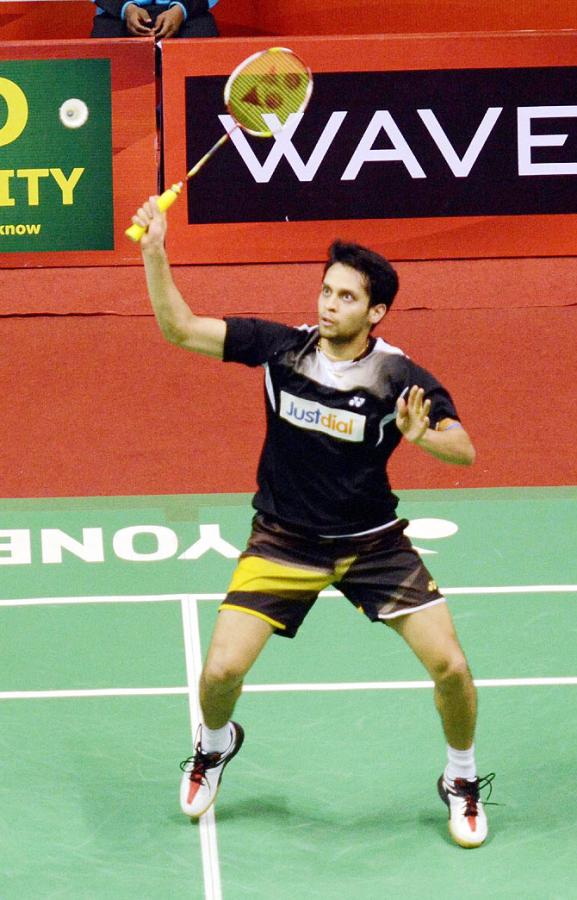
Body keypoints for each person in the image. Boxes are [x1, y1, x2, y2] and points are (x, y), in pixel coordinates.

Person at [134, 197, 495, 849]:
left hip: (370, 544)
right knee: (219, 673)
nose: (329, 304)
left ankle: (460, 778)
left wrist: (421, 436)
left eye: (346, 297)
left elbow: (463, 448)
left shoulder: (396, 375)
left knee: (450, 667)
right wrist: (155, 252)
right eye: (326, 291)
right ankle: (215, 746)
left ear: (374, 311)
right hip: (283, 539)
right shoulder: (281, 348)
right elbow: (180, 329)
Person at [90, 0, 219, 40]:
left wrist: (181, 9)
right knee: (104, 37)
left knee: (203, 35)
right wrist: (125, 8)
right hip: (118, 14)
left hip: (188, 13)